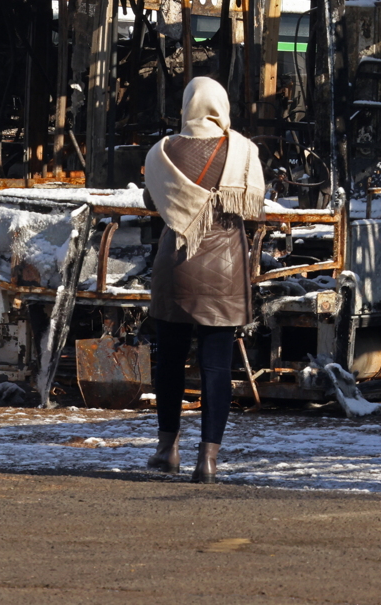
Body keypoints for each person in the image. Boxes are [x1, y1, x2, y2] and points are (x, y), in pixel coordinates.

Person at [141, 76, 264, 484]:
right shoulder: (243, 151)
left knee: (171, 364)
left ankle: (166, 449)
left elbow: (151, 201)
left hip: (174, 271)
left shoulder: (162, 153)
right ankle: (207, 460)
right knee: (215, 369)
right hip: (224, 275)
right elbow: (255, 209)